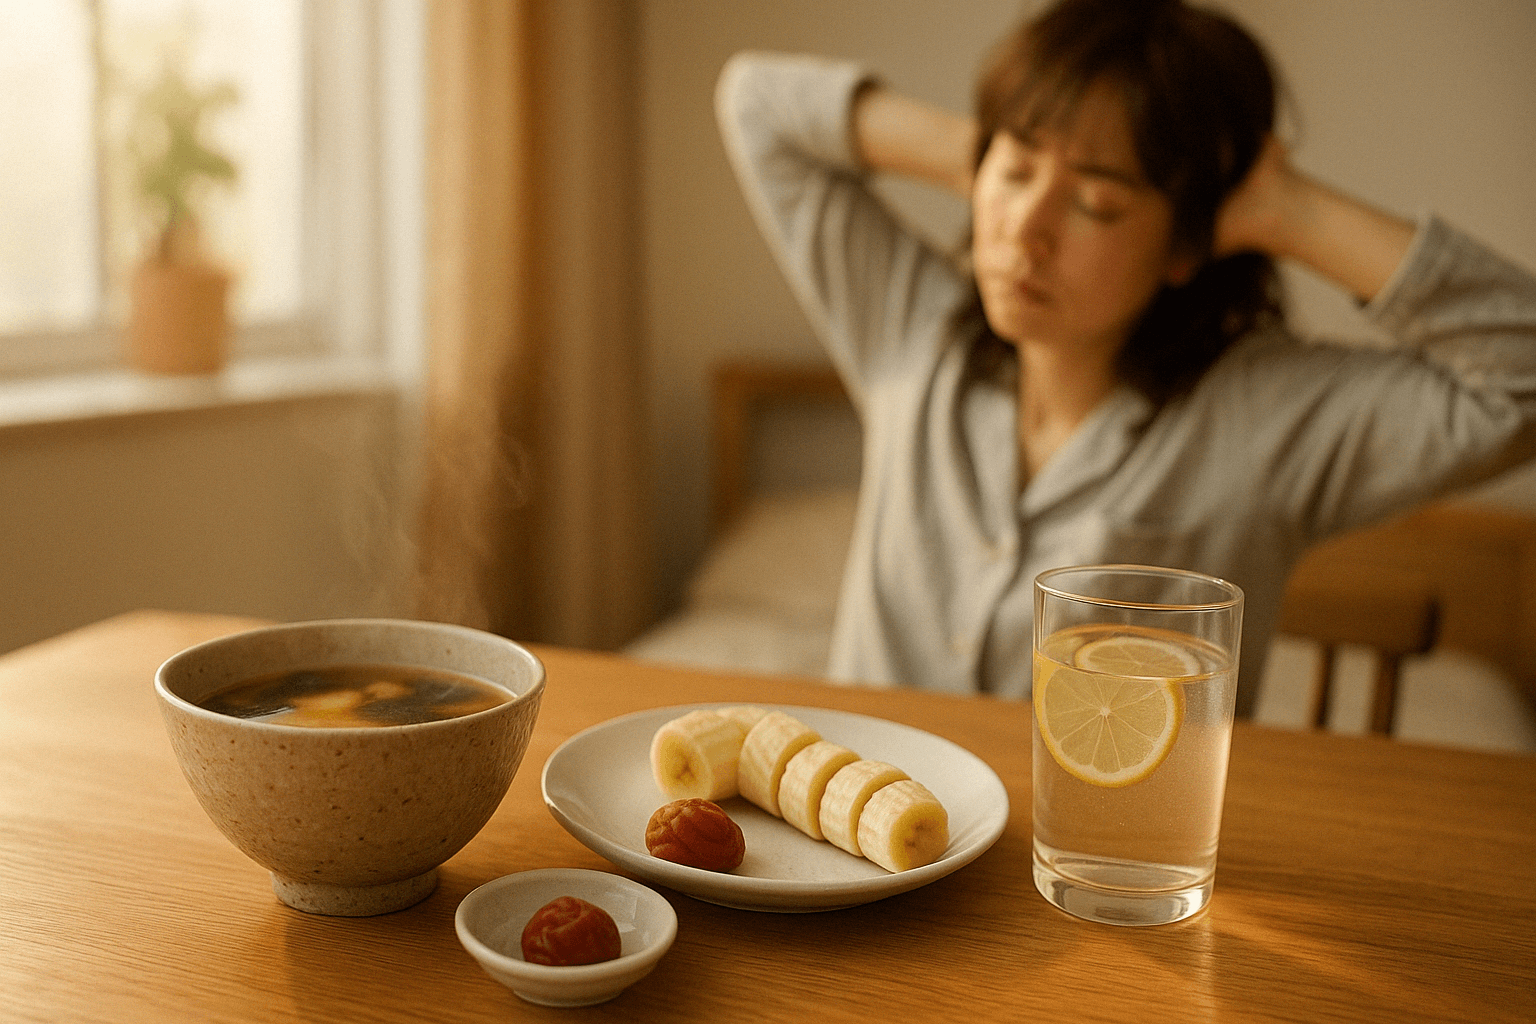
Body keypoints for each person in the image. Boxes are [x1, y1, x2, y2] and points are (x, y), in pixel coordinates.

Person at [714, 0, 1536, 716]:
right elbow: (757, 103)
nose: (1027, 230)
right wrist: (1031, 143)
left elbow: (1522, 378)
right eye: (1012, 174)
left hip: (1095, 874)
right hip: (867, 853)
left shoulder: (1261, 416)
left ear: (1187, 242)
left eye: (1097, 202)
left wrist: (1286, 209)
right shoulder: (913, 329)